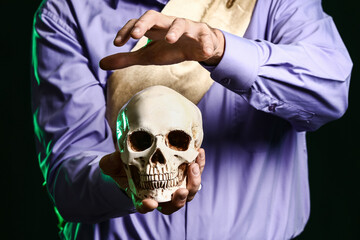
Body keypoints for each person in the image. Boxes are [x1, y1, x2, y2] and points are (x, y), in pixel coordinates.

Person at [31, 0, 352, 239]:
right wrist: (118, 182)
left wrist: (221, 52)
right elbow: (66, 179)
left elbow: (330, 92)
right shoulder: (67, 11)